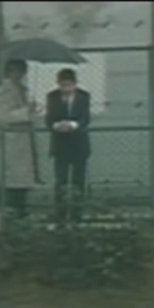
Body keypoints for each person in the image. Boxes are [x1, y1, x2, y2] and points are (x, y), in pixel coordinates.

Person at [0, 59, 39, 217]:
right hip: (12, 138)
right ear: (8, 72)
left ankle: (21, 207)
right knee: (14, 175)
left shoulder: (22, 89)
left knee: (23, 175)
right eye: (15, 71)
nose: (18, 75)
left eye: (21, 71)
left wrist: (31, 110)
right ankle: (13, 208)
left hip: (23, 136)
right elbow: (3, 116)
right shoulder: (3, 91)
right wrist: (26, 111)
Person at [45, 68, 91, 222]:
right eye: (63, 85)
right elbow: (49, 118)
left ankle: (77, 213)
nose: (66, 89)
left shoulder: (84, 96)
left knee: (79, 180)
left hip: (79, 143)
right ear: (58, 84)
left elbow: (85, 118)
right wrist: (56, 126)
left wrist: (73, 125)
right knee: (61, 180)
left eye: (69, 85)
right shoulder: (52, 97)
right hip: (60, 144)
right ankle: (60, 213)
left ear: (75, 84)